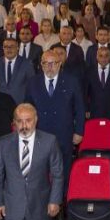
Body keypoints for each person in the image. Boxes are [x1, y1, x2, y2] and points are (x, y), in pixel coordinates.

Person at [25, 49, 85, 183]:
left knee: (63, 170)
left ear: (60, 64)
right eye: (45, 63)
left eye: (53, 63)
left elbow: (80, 108)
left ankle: (62, 195)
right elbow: (28, 108)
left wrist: (79, 132)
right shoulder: (33, 82)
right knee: (41, 171)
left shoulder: (71, 81)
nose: (49, 67)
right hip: (40, 133)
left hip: (64, 133)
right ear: (41, 65)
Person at [85, 46, 110, 120]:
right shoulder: (89, 72)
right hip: (94, 111)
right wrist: (86, 109)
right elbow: (85, 93)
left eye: (106, 56)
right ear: (96, 57)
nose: (103, 58)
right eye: (101, 56)